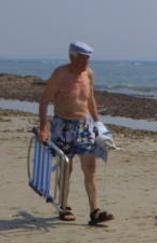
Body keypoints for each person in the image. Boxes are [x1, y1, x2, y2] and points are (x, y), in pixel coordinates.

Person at [39, 41, 114, 224]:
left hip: (84, 125)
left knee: (90, 168)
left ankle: (94, 212)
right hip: (63, 125)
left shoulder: (89, 73)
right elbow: (44, 101)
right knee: (66, 169)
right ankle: (64, 207)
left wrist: (98, 124)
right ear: (73, 57)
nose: (86, 63)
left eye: (88, 59)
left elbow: (90, 99)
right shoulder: (60, 74)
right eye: (83, 59)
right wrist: (44, 127)